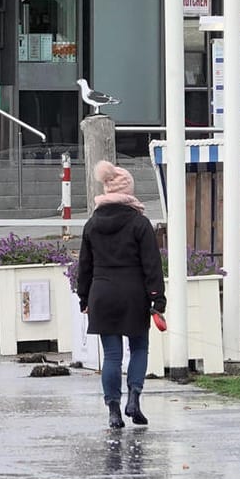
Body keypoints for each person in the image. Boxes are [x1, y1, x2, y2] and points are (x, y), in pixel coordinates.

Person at [75, 160, 166, 429]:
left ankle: (113, 409)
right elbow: (152, 264)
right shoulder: (139, 223)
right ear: (129, 190)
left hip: (101, 293)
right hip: (133, 294)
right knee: (139, 348)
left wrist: (84, 298)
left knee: (112, 356)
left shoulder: (91, 224)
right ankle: (134, 398)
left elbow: (85, 266)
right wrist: (157, 297)